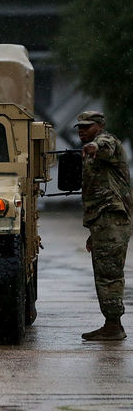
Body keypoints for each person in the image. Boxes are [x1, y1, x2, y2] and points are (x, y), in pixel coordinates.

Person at [76, 110, 132, 341]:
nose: (81, 131)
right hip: (104, 221)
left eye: (86, 126)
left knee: (109, 274)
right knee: (104, 272)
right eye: (79, 127)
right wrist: (94, 230)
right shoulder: (93, 154)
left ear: (99, 126)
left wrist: (94, 147)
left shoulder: (107, 143)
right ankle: (111, 323)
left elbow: (105, 145)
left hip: (112, 217)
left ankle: (113, 325)